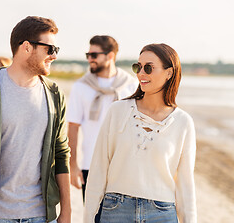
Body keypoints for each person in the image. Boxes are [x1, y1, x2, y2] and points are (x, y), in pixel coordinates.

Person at [0, 16, 71, 223]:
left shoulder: (55, 94)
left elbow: (61, 152)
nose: (54, 56)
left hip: (42, 215)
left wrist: (66, 212)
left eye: (57, 50)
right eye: (50, 49)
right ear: (27, 47)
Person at [84, 43, 197, 223]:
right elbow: (99, 168)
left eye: (148, 68)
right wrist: (88, 217)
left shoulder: (183, 122)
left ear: (169, 73)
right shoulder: (117, 111)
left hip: (162, 213)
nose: (141, 73)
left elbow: (186, 183)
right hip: (115, 210)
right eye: (138, 67)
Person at [67, 35, 137, 201]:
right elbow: (73, 128)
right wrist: (73, 165)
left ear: (110, 56)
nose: (90, 59)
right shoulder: (81, 87)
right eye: (88, 55)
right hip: (90, 165)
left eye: (94, 55)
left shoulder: (131, 85)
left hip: (124, 166)